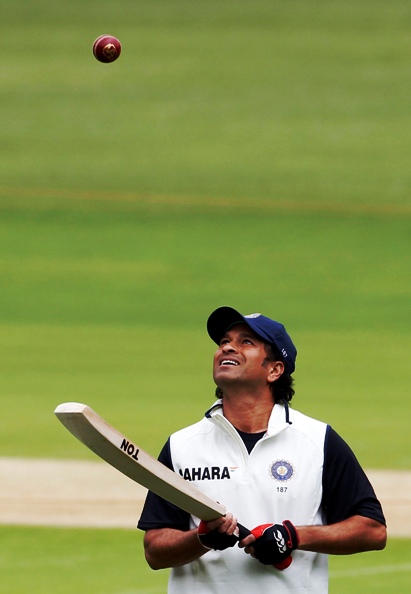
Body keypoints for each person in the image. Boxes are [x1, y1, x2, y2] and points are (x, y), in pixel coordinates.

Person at [138, 306, 387, 593]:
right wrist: (201, 539)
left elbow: (372, 530)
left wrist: (292, 536)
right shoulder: (182, 445)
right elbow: (155, 551)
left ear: (274, 369)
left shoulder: (318, 441)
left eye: (246, 342)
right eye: (224, 342)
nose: (228, 347)